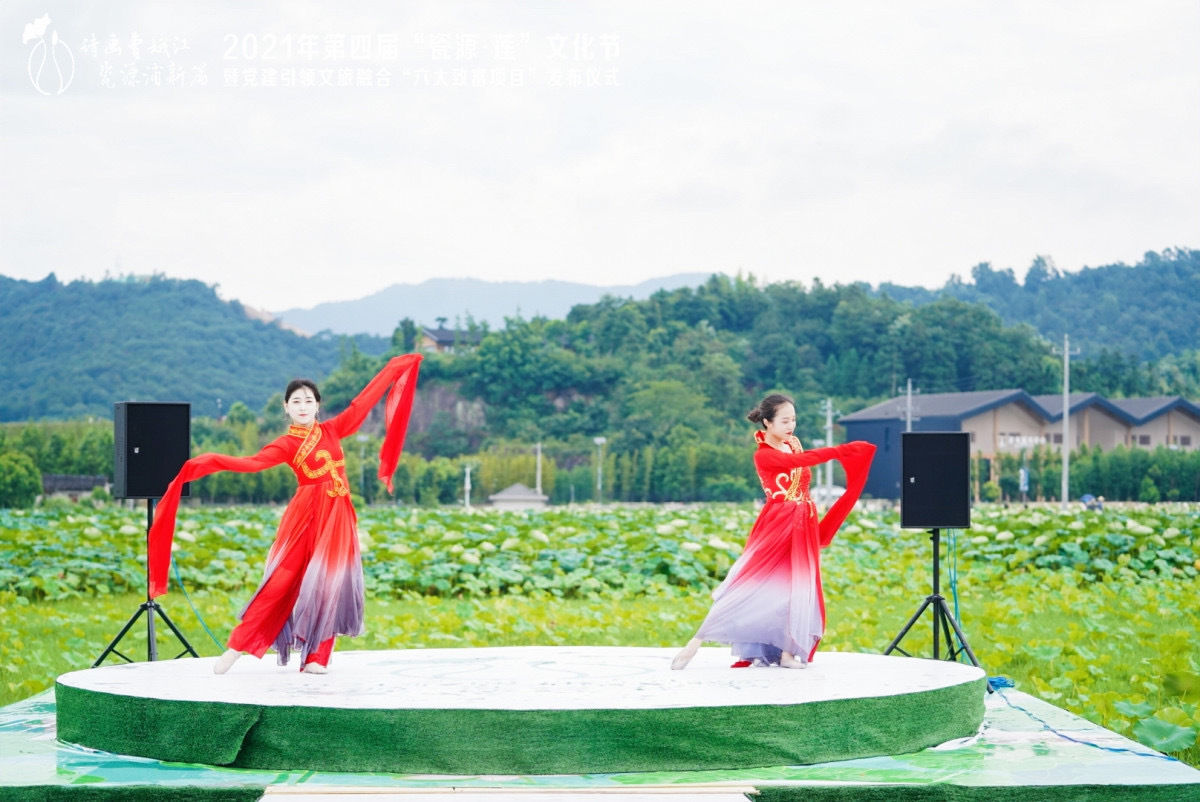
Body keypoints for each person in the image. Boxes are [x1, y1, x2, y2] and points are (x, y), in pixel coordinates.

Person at [146, 354, 422, 675]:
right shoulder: (287, 443)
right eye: (296, 401)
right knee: (282, 580)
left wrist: (392, 370)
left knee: (329, 583)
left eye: (308, 400)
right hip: (307, 515)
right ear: (286, 407)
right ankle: (238, 646)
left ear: (318, 405)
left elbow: (362, 404)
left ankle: (317, 657)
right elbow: (253, 463)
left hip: (339, 517)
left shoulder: (333, 430)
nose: (303, 406)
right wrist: (206, 462)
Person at [671, 393, 875, 670]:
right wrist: (842, 451)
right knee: (748, 582)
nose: (791, 426)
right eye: (784, 421)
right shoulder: (764, 455)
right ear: (767, 422)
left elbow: (802, 477)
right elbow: (801, 464)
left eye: (794, 419)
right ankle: (694, 643)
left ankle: (787, 653)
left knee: (798, 587)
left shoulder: (793, 443)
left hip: (802, 522)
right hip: (779, 523)